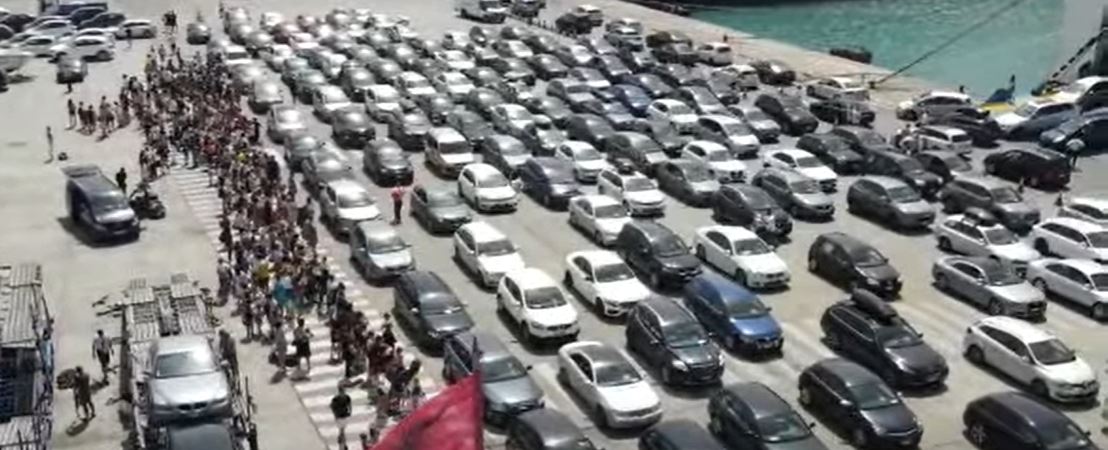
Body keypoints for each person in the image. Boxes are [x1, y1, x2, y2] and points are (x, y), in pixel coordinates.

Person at [330, 384, 352, 449]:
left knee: (342, 430)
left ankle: (342, 441)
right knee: (342, 430)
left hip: (342, 415)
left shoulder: (337, 398)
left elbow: (349, 405)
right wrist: (350, 411)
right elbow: (332, 407)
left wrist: (350, 411)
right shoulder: (339, 398)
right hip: (340, 415)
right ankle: (343, 443)